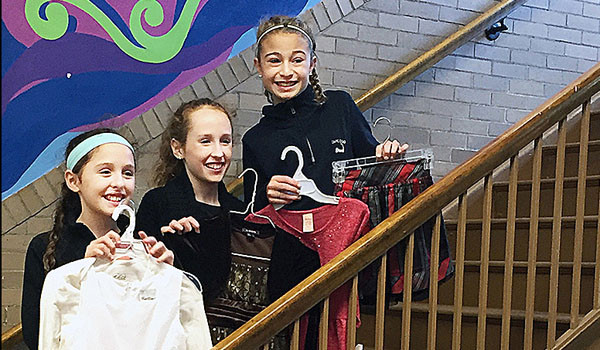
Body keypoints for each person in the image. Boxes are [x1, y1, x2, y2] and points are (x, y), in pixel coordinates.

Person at [21, 128, 174, 350]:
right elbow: (37, 335)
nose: (119, 183)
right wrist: (82, 271)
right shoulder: (44, 248)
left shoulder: (144, 244)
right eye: (105, 172)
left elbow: (162, 326)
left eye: (128, 173)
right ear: (74, 181)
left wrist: (167, 274)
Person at [243, 15, 409, 211]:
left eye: (297, 60)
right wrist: (267, 194)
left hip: (354, 236)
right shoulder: (254, 140)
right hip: (290, 239)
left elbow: (370, 168)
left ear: (311, 64)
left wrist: (386, 157)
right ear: (259, 66)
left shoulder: (340, 106)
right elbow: (251, 211)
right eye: (274, 61)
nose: (286, 71)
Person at [135, 98, 245, 302]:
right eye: (205, 141)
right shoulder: (158, 204)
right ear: (178, 149)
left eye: (225, 141)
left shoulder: (240, 212)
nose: (219, 153)